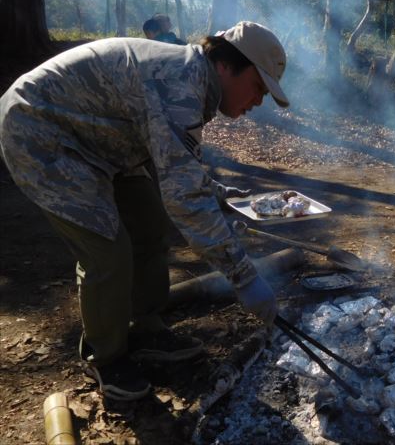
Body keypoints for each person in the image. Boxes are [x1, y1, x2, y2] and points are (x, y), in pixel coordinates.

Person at [0, 21, 290, 400]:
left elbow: (174, 163)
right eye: (258, 87)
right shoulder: (181, 82)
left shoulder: (192, 79)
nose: (257, 102)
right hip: (40, 129)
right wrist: (245, 277)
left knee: (150, 221)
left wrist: (215, 192)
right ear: (227, 65)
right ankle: (105, 357)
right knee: (108, 251)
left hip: (99, 142)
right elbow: (185, 199)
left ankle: (145, 327)